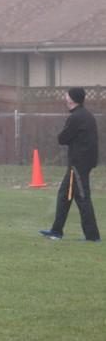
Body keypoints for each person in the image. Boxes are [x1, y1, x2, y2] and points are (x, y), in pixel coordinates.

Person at [40, 87, 101, 242]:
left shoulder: (76, 117)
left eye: (66, 95)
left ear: (72, 98)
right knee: (64, 197)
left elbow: (63, 138)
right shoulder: (86, 116)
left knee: (82, 198)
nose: (65, 98)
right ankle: (56, 231)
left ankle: (92, 236)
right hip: (81, 164)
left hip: (78, 165)